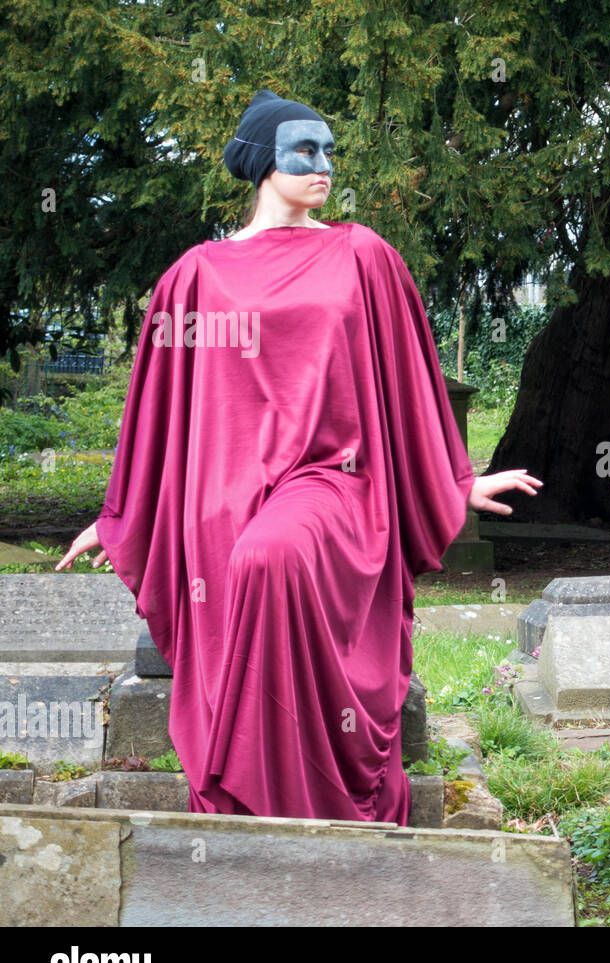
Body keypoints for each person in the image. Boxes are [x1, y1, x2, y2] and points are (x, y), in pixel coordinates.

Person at [56, 90, 542, 823]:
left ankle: (305, 798)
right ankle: (267, 815)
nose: (324, 166)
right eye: (304, 151)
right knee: (244, 554)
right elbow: (157, 408)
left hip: (332, 482)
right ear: (260, 163)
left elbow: (408, 379)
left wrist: (454, 479)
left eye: (329, 151)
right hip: (218, 499)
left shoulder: (362, 255)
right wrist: (123, 515)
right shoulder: (197, 275)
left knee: (271, 558)